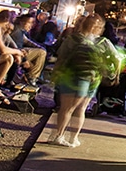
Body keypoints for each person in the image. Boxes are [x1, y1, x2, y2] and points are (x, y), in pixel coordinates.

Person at [49, 13, 119, 148]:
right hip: (92, 78)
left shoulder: (73, 39)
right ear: (100, 28)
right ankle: (73, 138)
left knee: (66, 109)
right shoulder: (103, 42)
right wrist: (111, 73)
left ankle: (59, 135)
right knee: (81, 109)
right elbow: (116, 59)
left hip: (70, 77)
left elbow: (61, 56)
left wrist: (55, 75)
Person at [9, 13, 48, 85]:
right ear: (22, 22)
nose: (31, 26)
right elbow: (15, 46)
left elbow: (27, 41)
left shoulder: (21, 31)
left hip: (20, 52)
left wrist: (40, 46)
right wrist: (25, 60)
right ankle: (32, 77)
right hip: (17, 53)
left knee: (38, 59)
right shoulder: (17, 31)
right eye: (29, 23)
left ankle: (32, 77)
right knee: (41, 53)